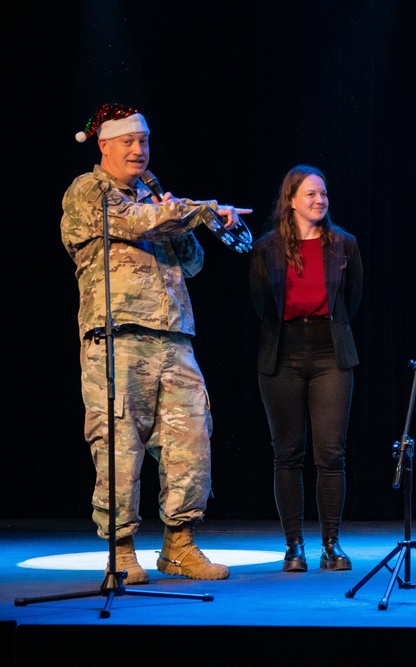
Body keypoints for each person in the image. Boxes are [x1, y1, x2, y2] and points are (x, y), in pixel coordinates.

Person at [61, 103, 249, 582]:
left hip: (174, 339)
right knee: (119, 446)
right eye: (128, 141)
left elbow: (192, 264)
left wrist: (183, 216)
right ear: (104, 145)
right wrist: (197, 210)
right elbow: (133, 223)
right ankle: (120, 550)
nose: (139, 150)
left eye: (143, 141)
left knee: (191, 444)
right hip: (118, 338)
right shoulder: (90, 191)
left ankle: (179, 545)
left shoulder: (155, 199)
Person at [250, 165, 362, 573]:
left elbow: (351, 301)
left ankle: (331, 544)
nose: (320, 201)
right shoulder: (266, 248)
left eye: (324, 194)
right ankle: (293, 545)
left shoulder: (344, 245)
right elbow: (261, 304)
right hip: (282, 352)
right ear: (291, 200)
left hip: (331, 351)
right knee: (287, 454)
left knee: (331, 453)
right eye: (311, 194)